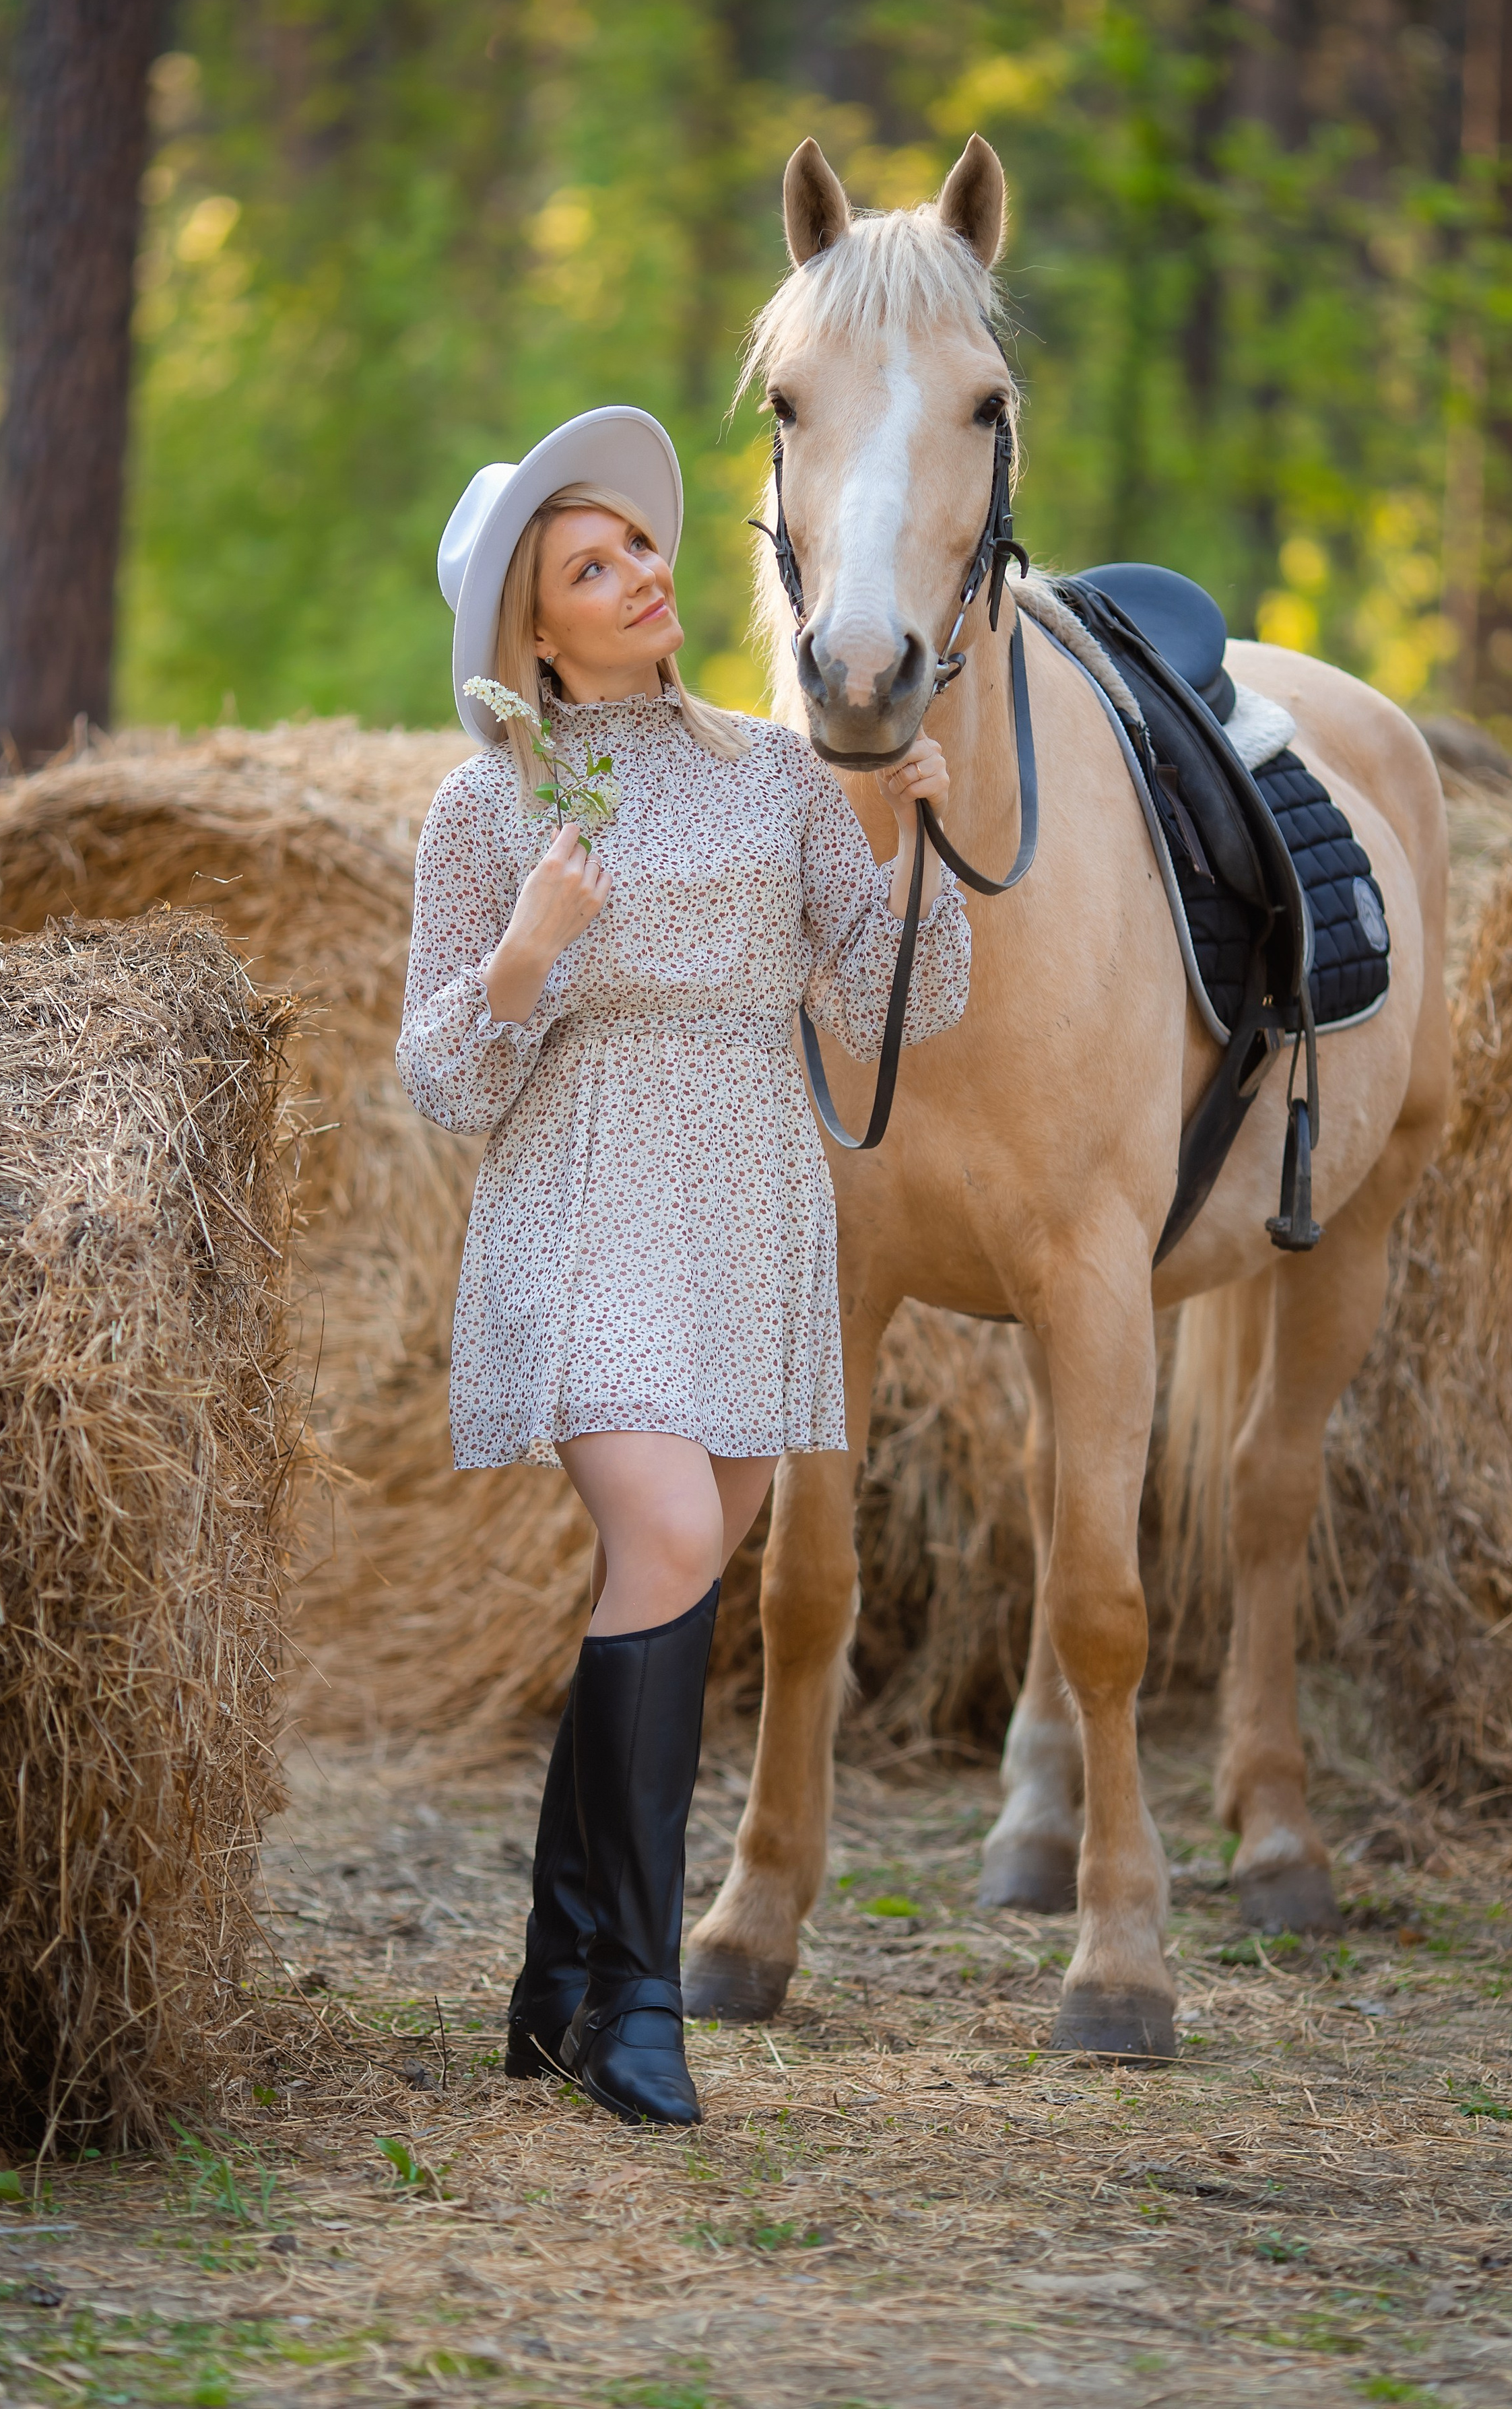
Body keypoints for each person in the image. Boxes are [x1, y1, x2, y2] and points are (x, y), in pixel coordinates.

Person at [397, 406, 971, 2126]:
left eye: (637, 547)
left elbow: (888, 1004)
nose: (640, 574)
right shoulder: (484, 806)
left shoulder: (771, 770)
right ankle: (637, 2000)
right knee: (662, 1542)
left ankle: (556, 1977)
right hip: (579, 1211)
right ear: (533, 631)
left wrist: (915, 848)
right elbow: (438, 1077)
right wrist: (527, 951)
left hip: (746, 1210)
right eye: (592, 566)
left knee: (665, 1581)